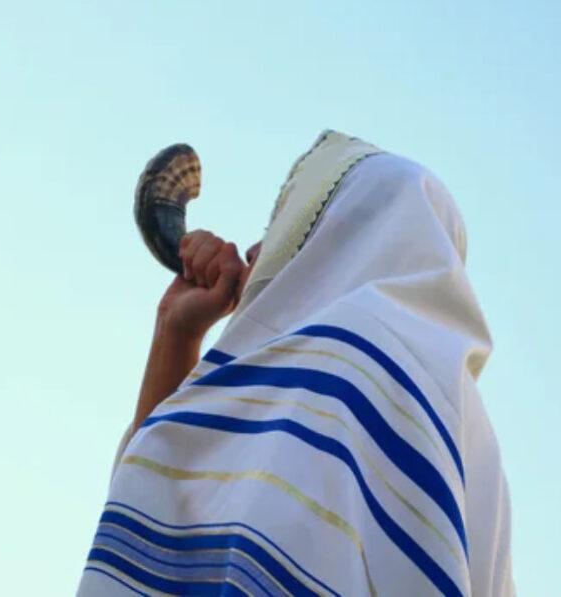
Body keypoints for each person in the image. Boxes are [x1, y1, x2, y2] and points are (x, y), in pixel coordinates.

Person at [78, 131, 514, 596]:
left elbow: (157, 546)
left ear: (337, 230)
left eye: (284, 221)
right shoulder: (465, 432)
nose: (250, 252)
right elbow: (152, 513)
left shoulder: (343, 360)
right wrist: (176, 330)